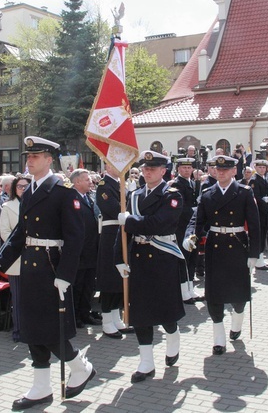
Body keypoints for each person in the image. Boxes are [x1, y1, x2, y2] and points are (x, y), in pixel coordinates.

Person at [0, 136, 94, 410]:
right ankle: (41, 387)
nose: (29, 159)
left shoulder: (63, 191)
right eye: (28, 156)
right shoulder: (29, 191)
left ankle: (80, 366)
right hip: (29, 267)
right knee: (31, 327)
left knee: (51, 329)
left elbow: (76, 238)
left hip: (51, 268)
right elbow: (19, 235)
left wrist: (65, 275)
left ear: (50, 159)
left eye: (35, 156)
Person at [116, 150, 185, 383]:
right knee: (140, 313)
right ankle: (146, 362)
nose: (147, 172)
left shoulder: (172, 195)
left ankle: (173, 336)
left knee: (165, 310)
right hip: (138, 259)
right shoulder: (133, 196)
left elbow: (160, 223)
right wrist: (119, 258)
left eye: (152, 168)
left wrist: (131, 221)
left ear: (163, 171)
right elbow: (123, 233)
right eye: (144, 168)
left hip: (162, 257)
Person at [188, 155, 261, 353]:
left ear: (234, 171)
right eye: (217, 169)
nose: (220, 172)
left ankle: (237, 323)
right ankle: (218, 338)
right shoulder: (208, 193)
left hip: (237, 246)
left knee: (238, 295)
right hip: (215, 247)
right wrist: (191, 237)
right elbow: (198, 221)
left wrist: (255, 254)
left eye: (225, 169)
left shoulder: (244, 193)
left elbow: (254, 225)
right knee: (214, 295)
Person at [95, 166, 133, 339]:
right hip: (111, 234)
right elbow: (112, 208)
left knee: (120, 278)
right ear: (108, 165)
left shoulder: (120, 184)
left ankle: (117, 318)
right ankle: (107, 321)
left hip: (122, 232)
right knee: (110, 278)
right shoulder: (104, 185)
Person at [0, 174, 32, 341]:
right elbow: (4, 232)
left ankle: (33, 329)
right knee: (18, 298)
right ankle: (18, 330)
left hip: (35, 256)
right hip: (16, 257)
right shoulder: (7, 206)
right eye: (20, 186)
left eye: (26, 186)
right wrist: (21, 243)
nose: (23, 189)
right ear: (14, 189)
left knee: (34, 298)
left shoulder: (37, 204)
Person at [69, 169, 101, 328]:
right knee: (78, 286)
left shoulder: (88, 198)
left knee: (89, 286)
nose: (90, 182)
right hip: (79, 252)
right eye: (86, 179)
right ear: (77, 182)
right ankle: (75, 317)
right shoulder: (70, 198)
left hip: (91, 250)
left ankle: (85, 313)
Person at [171, 157, 202, 304]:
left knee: (192, 257)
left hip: (192, 228)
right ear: (178, 169)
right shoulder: (177, 184)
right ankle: (183, 291)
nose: (187, 170)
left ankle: (190, 287)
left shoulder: (192, 183)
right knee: (183, 258)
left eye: (189, 168)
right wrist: (195, 211)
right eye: (184, 168)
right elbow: (179, 207)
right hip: (182, 228)